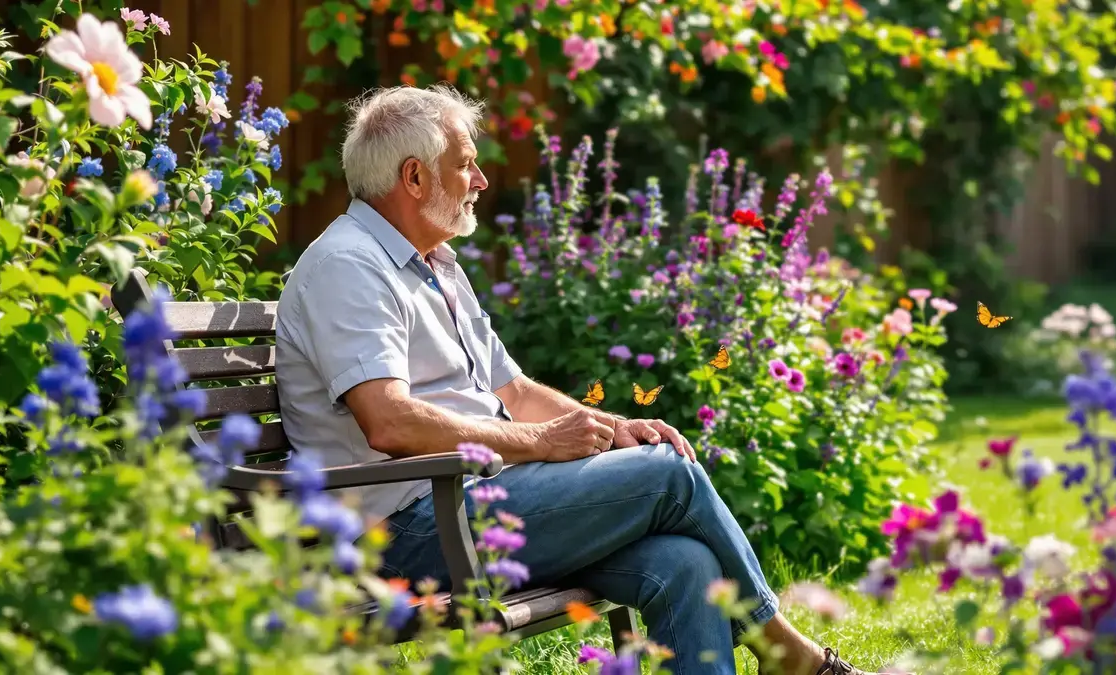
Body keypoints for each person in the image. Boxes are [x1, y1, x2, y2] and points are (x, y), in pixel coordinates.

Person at [274, 84, 888, 675]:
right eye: (466, 165)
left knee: (686, 562)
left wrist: (616, 428)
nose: (482, 181)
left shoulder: (434, 264)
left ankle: (785, 654)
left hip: (477, 504)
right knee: (670, 473)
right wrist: (540, 443)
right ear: (414, 177)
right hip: (408, 530)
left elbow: (512, 391)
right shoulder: (348, 266)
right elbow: (390, 422)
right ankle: (788, 652)